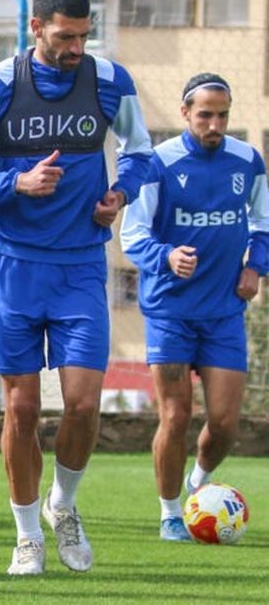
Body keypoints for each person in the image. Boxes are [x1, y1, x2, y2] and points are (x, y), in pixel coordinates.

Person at [0, 0, 152, 576]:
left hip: (83, 264)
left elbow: (141, 152)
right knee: (22, 409)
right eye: (65, 37)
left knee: (84, 404)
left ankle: (63, 504)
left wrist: (120, 193)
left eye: (84, 36)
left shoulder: (110, 81)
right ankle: (26, 533)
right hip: (14, 264)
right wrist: (18, 182)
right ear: (35, 29)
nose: (75, 48)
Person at [119, 73, 266, 542]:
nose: (215, 123)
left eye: (222, 115)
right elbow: (133, 235)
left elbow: (262, 222)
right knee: (175, 416)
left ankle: (197, 487)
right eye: (205, 114)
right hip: (170, 311)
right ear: (185, 114)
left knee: (224, 424)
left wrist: (255, 267)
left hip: (224, 311)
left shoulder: (247, 160)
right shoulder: (158, 164)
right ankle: (168, 514)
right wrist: (167, 255)